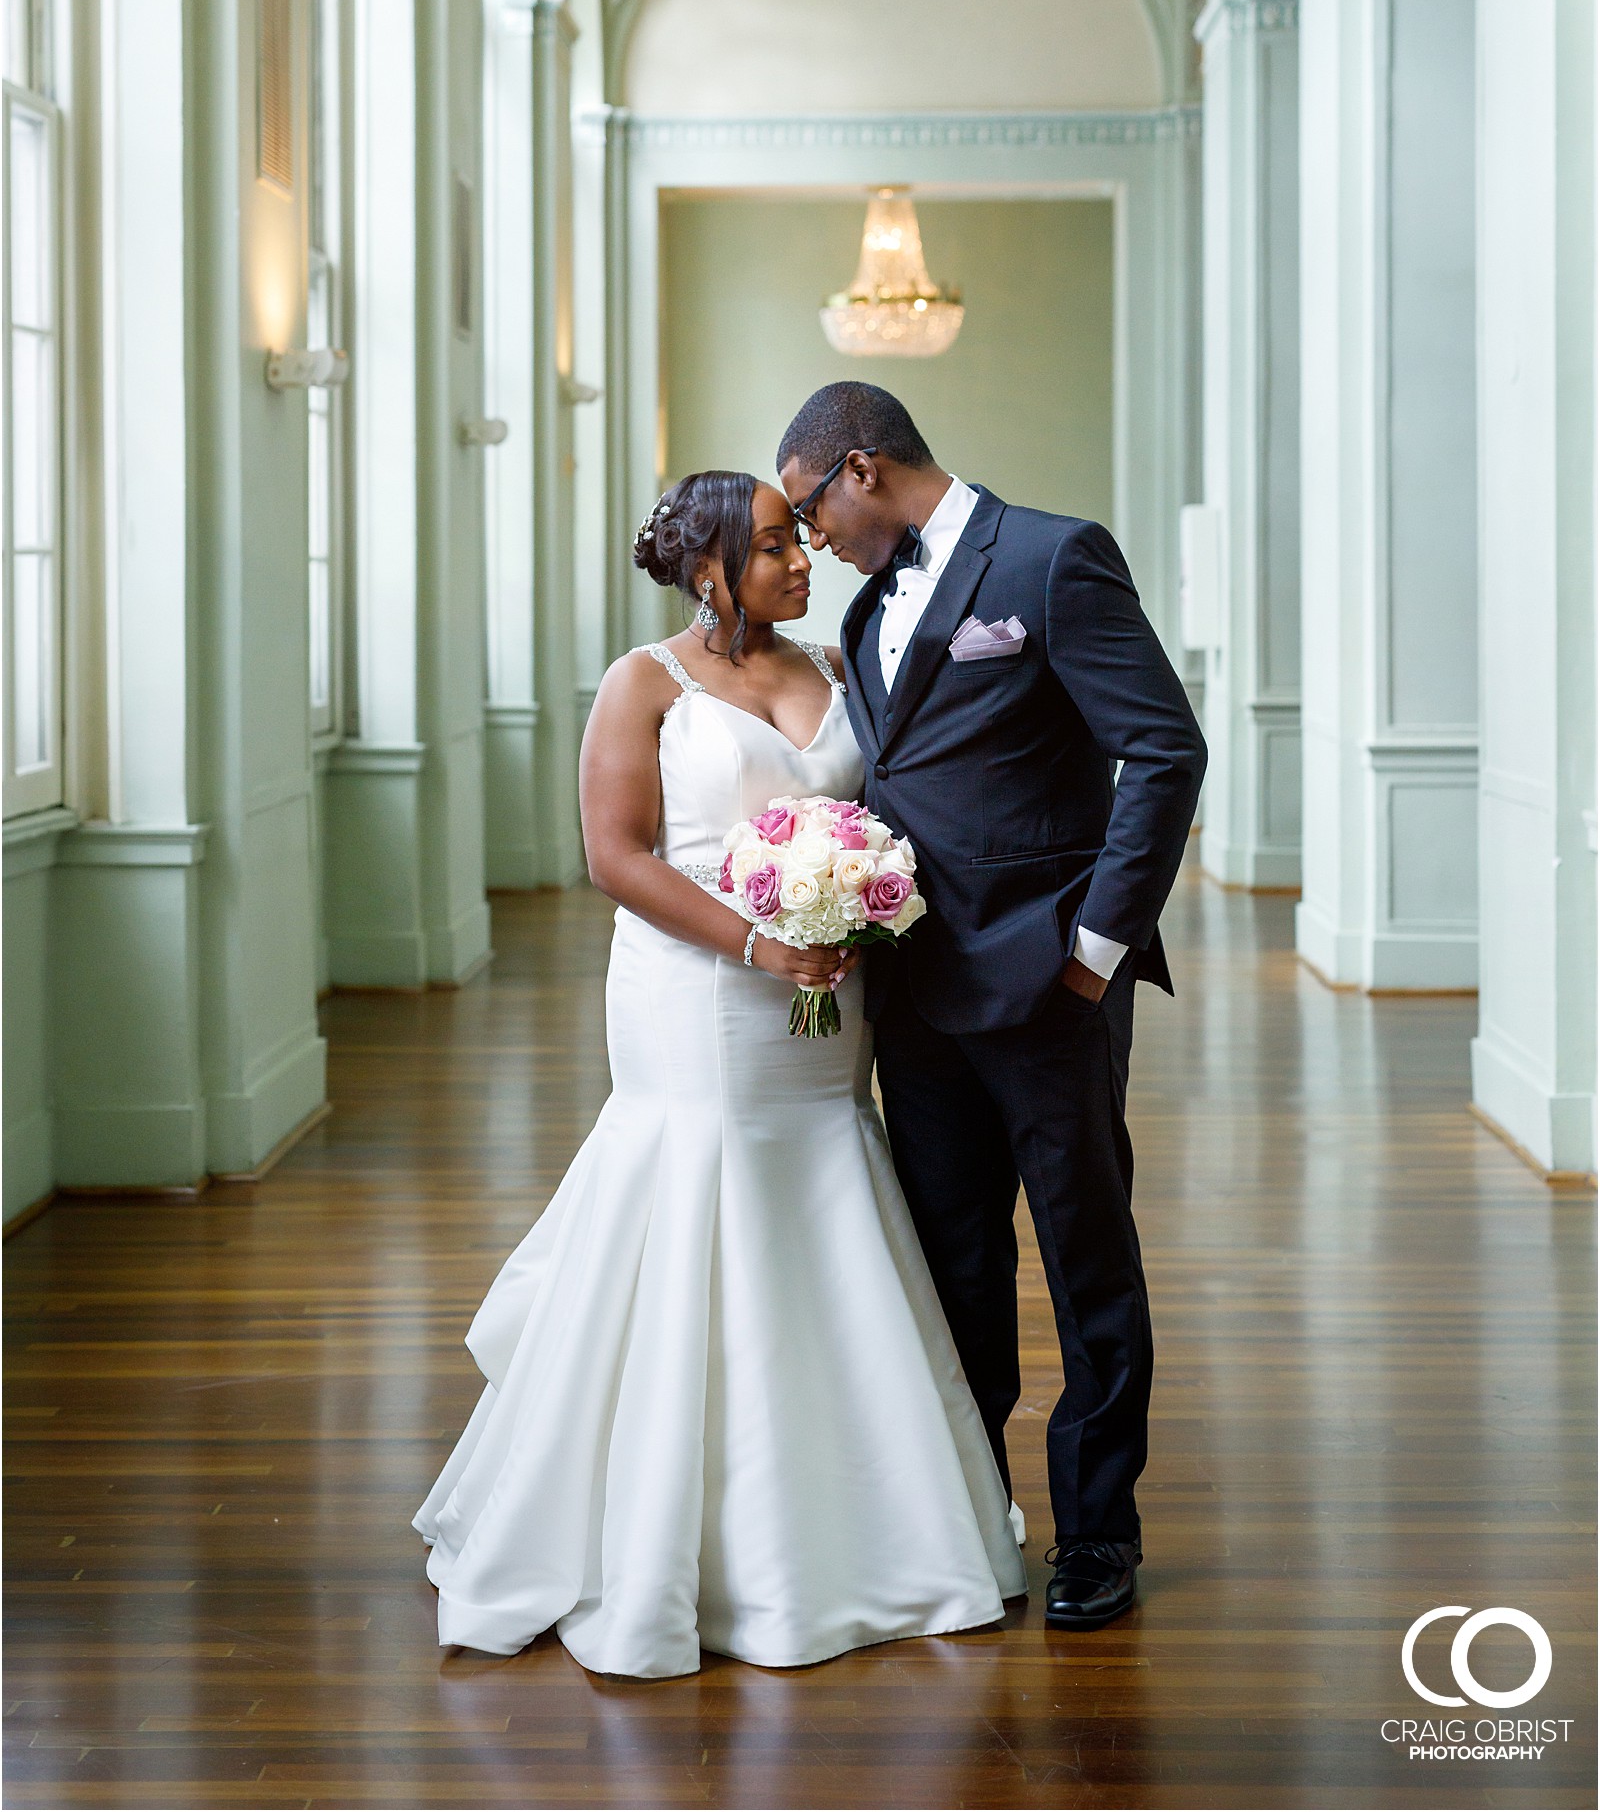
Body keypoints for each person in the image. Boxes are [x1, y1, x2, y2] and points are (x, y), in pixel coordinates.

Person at [414, 469, 1024, 1677]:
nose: (799, 560)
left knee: (825, 1192)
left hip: (825, 997)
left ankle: (854, 1516)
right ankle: (670, 1542)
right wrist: (760, 938)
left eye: (797, 537)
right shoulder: (646, 684)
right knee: (703, 1194)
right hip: (696, 1000)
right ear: (705, 570)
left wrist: (856, 905)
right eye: (767, 547)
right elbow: (614, 854)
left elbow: (885, 811)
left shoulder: (838, 667)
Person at [778, 383, 1206, 1631]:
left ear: (860, 468)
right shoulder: (863, 614)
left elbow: (1162, 749)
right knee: (950, 1260)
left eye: (810, 509)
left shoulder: (1051, 556)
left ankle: (1097, 1532)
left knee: (1086, 1257)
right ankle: (970, 1513)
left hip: (1048, 986)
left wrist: (1094, 948)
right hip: (913, 996)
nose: (811, 541)